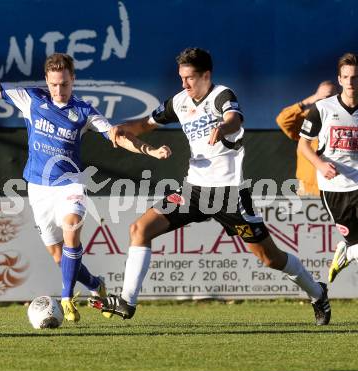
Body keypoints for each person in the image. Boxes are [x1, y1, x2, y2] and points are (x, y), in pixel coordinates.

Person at [90, 47, 331, 326]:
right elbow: (145, 124)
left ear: (206, 75)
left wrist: (223, 129)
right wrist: (123, 128)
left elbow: (233, 119)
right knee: (140, 228)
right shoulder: (179, 101)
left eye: (190, 78)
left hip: (230, 196)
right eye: (181, 78)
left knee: (270, 258)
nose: (184, 84)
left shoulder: (222, 96)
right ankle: (127, 302)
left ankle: (317, 293)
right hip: (193, 191)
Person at [0, 53, 171, 322]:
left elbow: (117, 136)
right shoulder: (31, 99)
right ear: (47, 80)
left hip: (70, 183)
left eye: (65, 84)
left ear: (73, 80)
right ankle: (95, 285)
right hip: (38, 188)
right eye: (55, 84)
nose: (60, 90)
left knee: (72, 227)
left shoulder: (83, 111)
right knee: (59, 256)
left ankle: (67, 299)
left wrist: (151, 152)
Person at [298, 52, 358, 283]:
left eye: (355, 77)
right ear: (340, 79)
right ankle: (346, 252)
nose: (351, 82)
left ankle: (348, 250)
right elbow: (304, 145)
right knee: (355, 243)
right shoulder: (322, 108)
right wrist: (320, 164)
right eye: (346, 77)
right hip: (336, 188)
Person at [276, 81, 338, 196]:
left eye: (329, 97)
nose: (324, 100)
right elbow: (282, 120)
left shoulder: (344, 120)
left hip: (336, 186)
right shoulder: (307, 118)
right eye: (321, 97)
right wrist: (307, 101)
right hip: (308, 188)